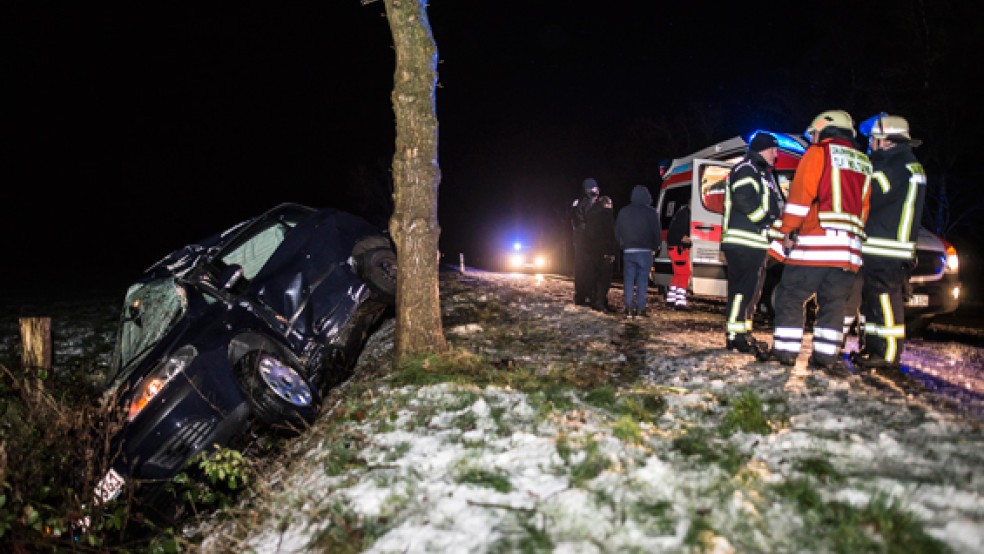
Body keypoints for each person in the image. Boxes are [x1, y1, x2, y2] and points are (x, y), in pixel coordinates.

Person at [757, 110, 872, 375]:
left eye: (814, 134)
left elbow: (800, 198)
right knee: (833, 303)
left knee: (790, 296)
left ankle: (785, 352)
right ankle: (825, 357)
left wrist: (786, 230)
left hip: (817, 244)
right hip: (849, 252)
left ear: (822, 130)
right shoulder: (864, 162)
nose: (812, 139)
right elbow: (864, 208)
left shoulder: (818, 153)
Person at [848, 114, 927, 371]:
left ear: (887, 141)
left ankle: (888, 353)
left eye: (874, 139)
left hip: (885, 245)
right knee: (875, 301)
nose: (870, 143)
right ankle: (873, 347)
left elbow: (868, 196)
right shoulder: (908, 164)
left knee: (884, 300)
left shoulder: (892, 167)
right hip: (893, 245)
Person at [721, 132, 784, 353]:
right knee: (741, 291)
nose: (776, 155)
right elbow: (743, 199)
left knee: (751, 292)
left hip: (755, 243)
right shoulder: (746, 169)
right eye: (773, 150)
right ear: (762, 150)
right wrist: (766, 222)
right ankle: (734, 336)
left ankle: (743, 332)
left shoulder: (760, 172)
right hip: (743, 242)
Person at [570, 177, 618, 311]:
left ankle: (589, 297)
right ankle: (588, 297)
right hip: (586, 242)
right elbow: (580, 223)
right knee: (587, 271)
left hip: (585, 242)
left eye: (596, 189)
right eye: (593, 189)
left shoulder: (582, 203)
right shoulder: (588, 204)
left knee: (588, 271)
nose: (595, 191)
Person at [615, 184, 662, 317]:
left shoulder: (624, 211)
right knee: (642, 280)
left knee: (628, 280)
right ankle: (641, 308)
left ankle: (628, 308)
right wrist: (655, 247)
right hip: (645, 252)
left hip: (629, 251)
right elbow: (656, 233)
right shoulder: (652, 212)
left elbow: (617, 232)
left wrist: (622, 245)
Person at [665, 202, 692, 309]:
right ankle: (680, 302)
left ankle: (671, 299)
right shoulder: (684, 215)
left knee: (677, 274)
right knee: (684, 273)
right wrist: (690, 242)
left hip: (674, 248)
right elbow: (682, 234)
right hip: (679, 249)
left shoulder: (681, 213)